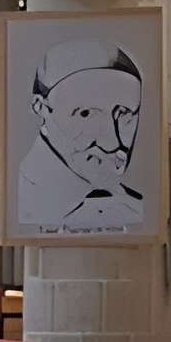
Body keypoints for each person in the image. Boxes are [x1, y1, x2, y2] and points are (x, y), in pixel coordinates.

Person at [16, 37, 146, 234]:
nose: (112, 143)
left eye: (125, 114)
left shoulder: (133, 206)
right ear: (41, 107)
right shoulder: (21, 197)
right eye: (86, 114)